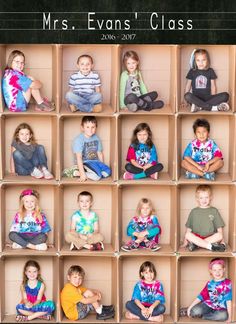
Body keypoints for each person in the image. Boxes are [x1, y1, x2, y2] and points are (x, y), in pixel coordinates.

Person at [63, 116, 111, 182]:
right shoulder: (78, 140)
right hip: (85, 162)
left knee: (108, 171)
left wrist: (101, 166)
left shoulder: (96, 138)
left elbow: (99, 153)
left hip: (95, 162)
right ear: (82, 128)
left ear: (96, 127)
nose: (90, 130)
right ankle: (75, 172)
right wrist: (82, 174)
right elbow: (79, 157)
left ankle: (93, 173)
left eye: (93, 127)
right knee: (97, 177)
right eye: (87, 127)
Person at [184, 258, 232, 322]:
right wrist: (190, 307)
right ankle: (188, 310)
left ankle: (203, 316)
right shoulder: (209, 283)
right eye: (214, 270)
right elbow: (201, 296)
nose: (217, 272)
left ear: (224, 269)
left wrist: (230, 317)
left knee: (223, 316)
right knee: (195, 311)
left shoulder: (227, 283)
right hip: (209, 305)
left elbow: (228, 301)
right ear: (211, 271)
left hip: (221, 309)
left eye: (219, 269)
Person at [182, 48, 229, 112]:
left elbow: (213, 86)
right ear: (195, 61)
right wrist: (185, 101)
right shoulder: (192, 71)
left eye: (203, 60)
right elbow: (188, 86)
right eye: (198, 60)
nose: (201, 63)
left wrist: (213, 97)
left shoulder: (210, 71)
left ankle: (200, 107)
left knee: (226, 95)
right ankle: (213, 108)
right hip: (195, 99)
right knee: (187, 96)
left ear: (207, 60)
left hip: (208, 98)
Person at [181, 185, 226, 252]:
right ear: (197, 199)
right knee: (187, 235)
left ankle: (196, 245)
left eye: (206, 197)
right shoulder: (194, 211)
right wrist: (185, 242)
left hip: (210, 237)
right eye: (201, 198)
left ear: (210, 197)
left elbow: (219, 228)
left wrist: (222, 241)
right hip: (197, 237)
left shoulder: (214, 210)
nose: (204, 200)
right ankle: (211, 247)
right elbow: (189, 229)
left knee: (219, 235)